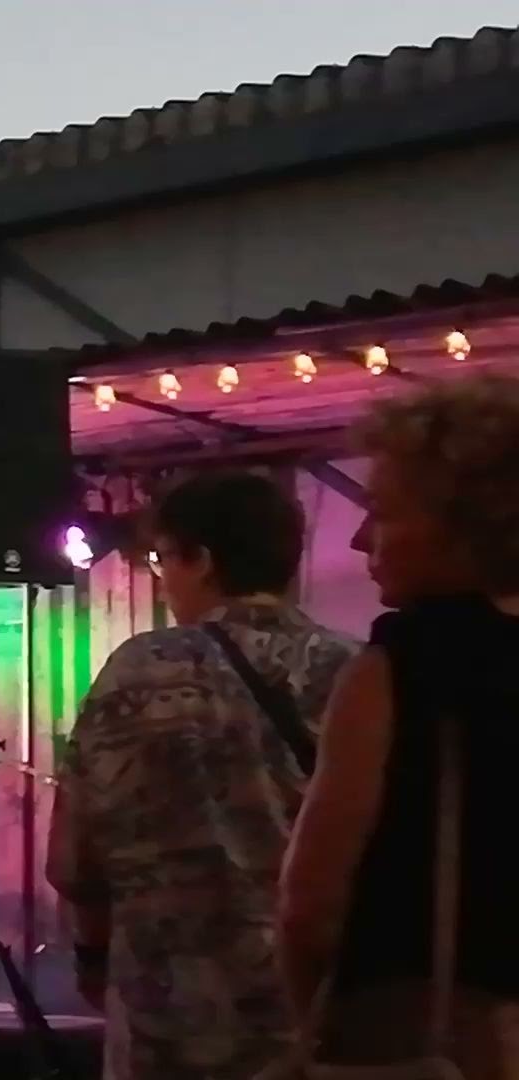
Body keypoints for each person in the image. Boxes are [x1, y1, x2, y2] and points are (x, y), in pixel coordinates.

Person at [46, 470, 359, 1080]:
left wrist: (91, 955)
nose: (163, 582)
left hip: (166, 1022)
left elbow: (75, 857)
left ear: (205, 562)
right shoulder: (350, 669)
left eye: (164, 559)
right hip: (314, 1014)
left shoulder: (136, 671)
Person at [279, 376, 519, 1075]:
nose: (360, 539)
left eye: (381, 513)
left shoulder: (403, 667)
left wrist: (314, 1025)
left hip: (436, 1037)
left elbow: (311, 904)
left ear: (464, 524)